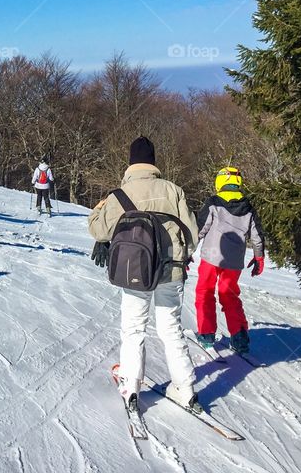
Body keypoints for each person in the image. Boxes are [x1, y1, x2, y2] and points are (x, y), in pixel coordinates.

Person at [88, 136, 200, 411]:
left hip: (134, 269)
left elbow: (97, 230)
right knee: (172, 329)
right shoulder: (174, 191)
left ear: (130, 164)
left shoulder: (119, 195)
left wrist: (100, 208)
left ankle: (131, 385)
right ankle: (185, 389)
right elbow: (192, 235)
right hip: (171, 271)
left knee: (134, 327)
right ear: (153, 163)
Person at [194, 166, 266, 354]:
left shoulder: (213, 203)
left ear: (220, 182)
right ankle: (239, 337)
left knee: (205, 291)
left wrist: (185, 253)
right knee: (229, 295)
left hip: (211, 257)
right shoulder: (248, 208)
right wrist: (259, 257)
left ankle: (207, 333)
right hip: (234, 262)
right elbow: (257, 236)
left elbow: (199, 229)